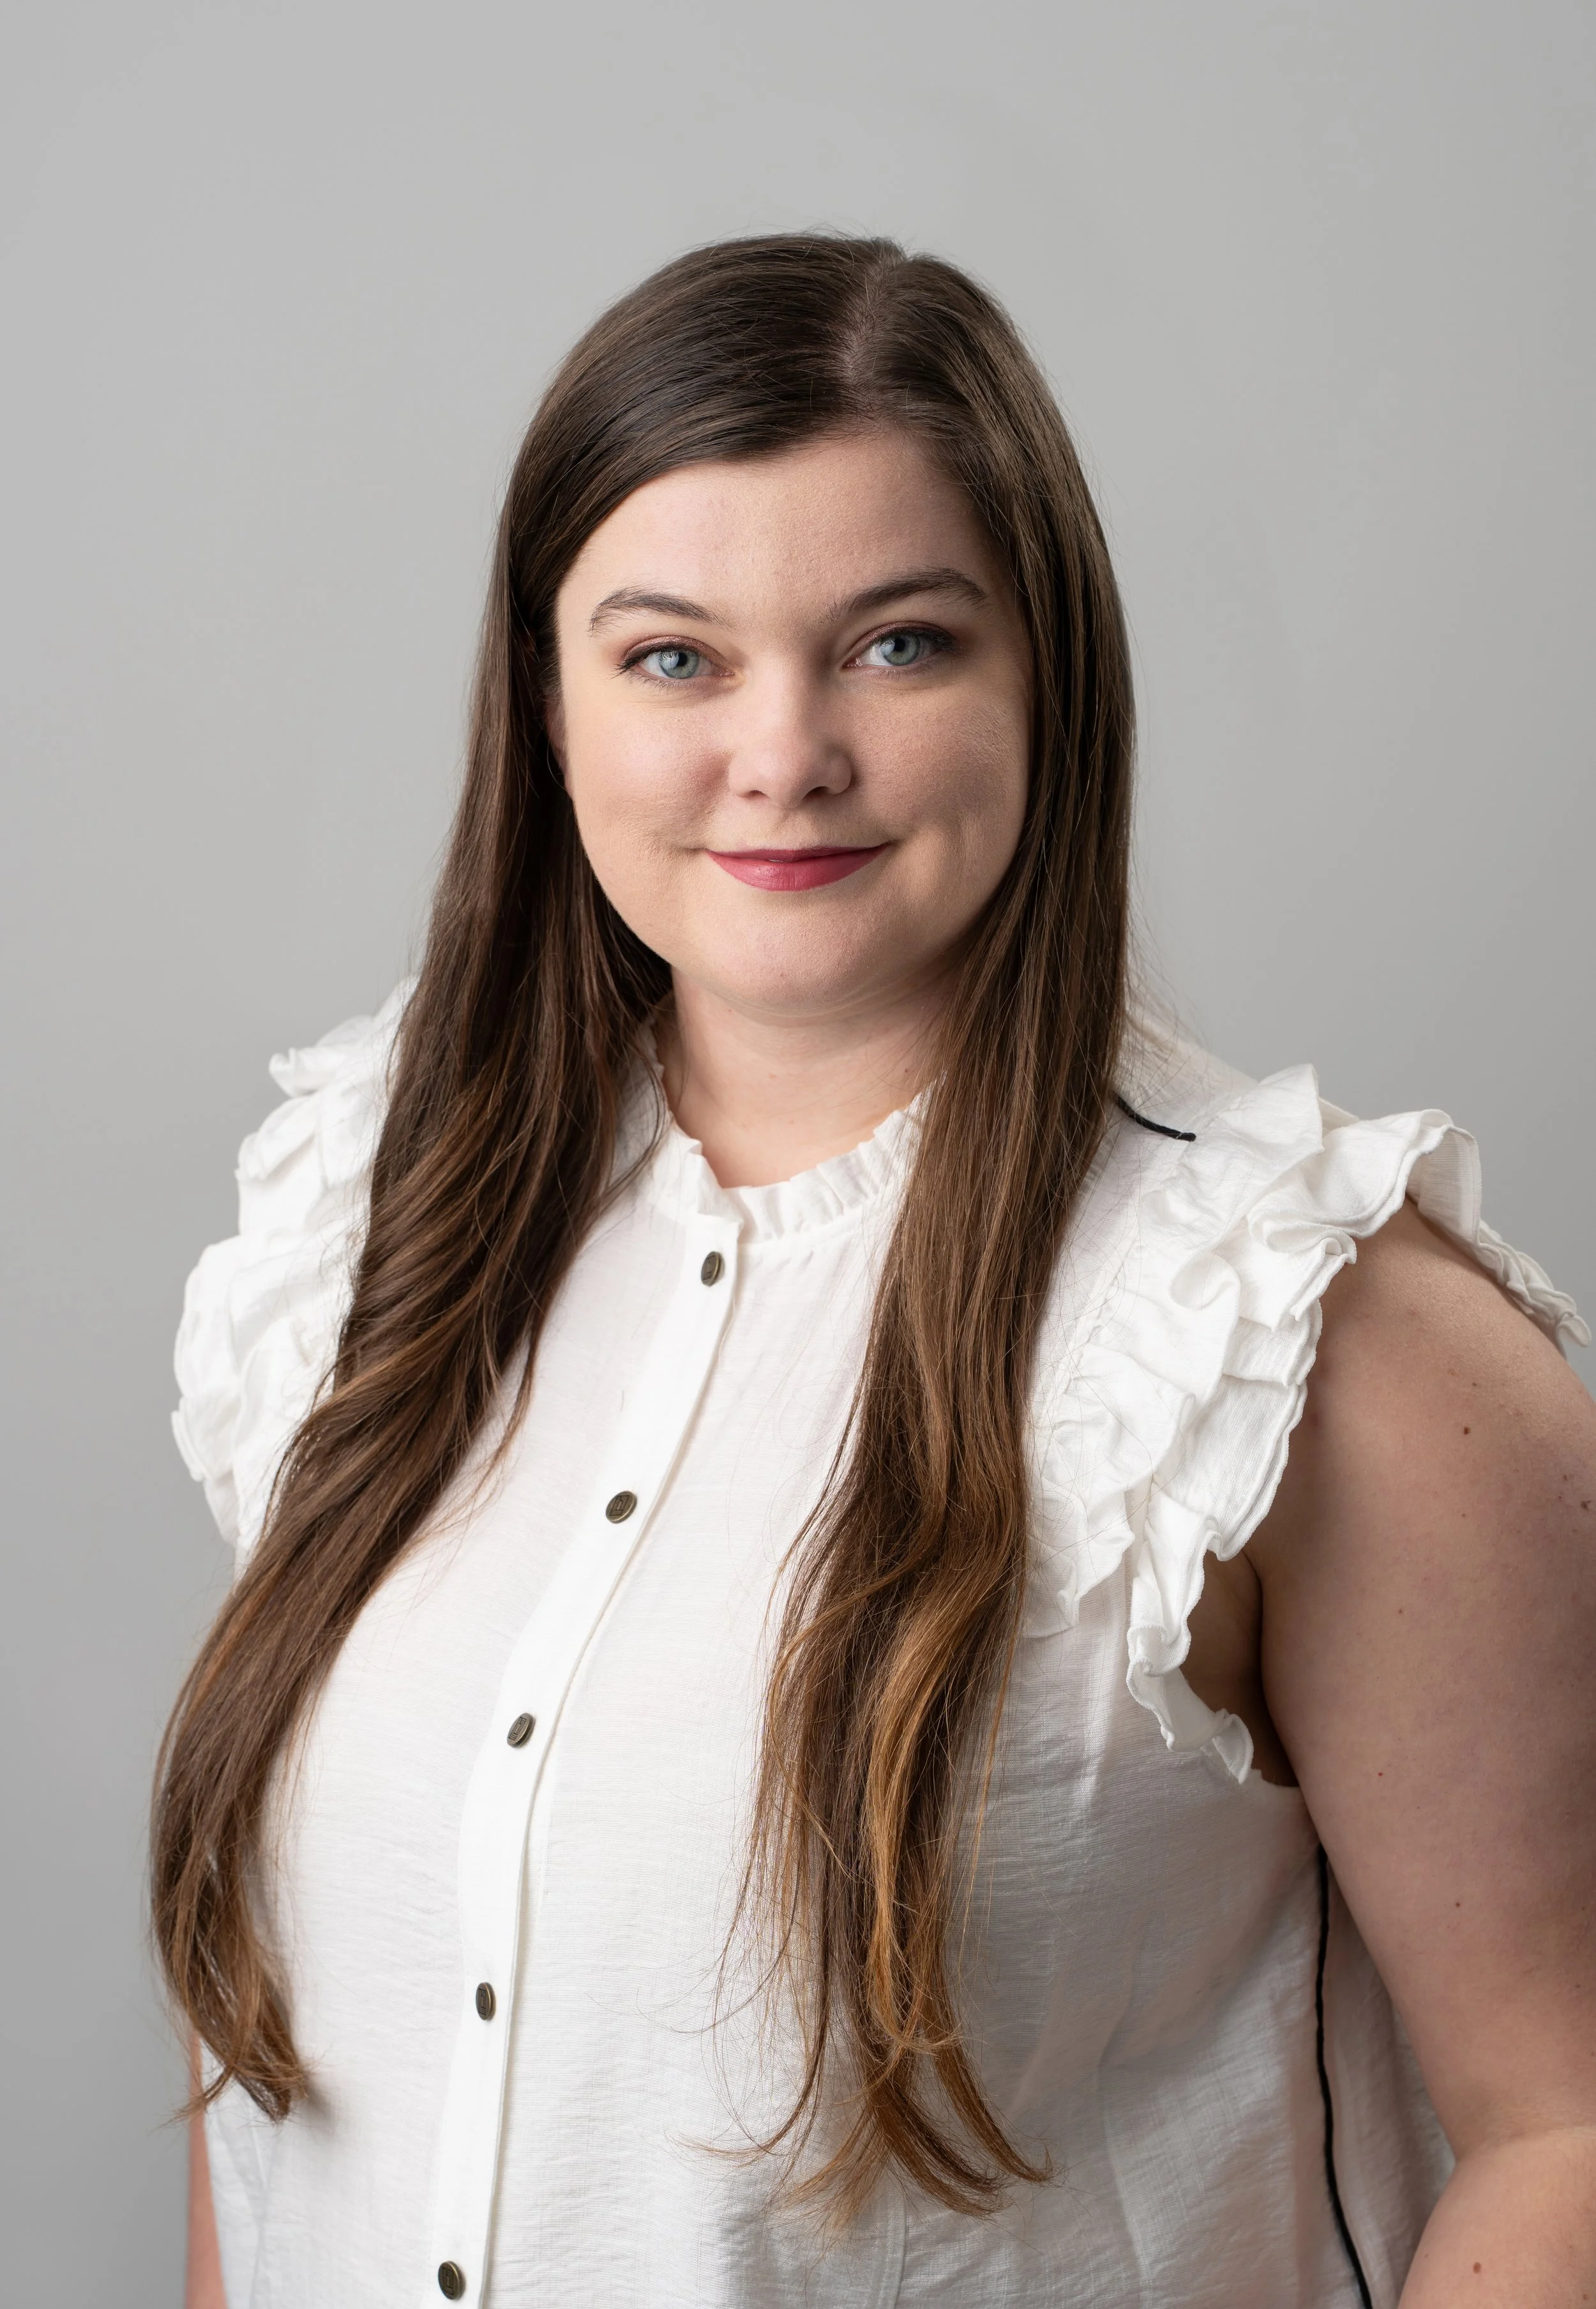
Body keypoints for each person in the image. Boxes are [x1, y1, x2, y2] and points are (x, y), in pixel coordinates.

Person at [154, 234, 1596, 2309]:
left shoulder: (1302, 1341)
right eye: (673, 659)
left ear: (1052, 681)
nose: (783, 755)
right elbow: (291, 2067)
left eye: (899, 645)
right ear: (543, 703)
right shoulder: (360, 1228)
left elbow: (1563, 2125)